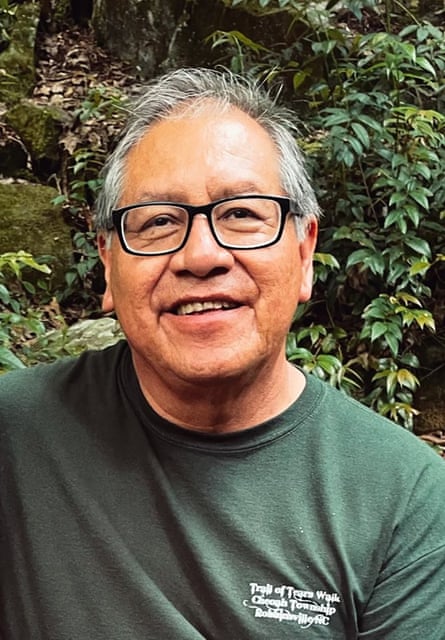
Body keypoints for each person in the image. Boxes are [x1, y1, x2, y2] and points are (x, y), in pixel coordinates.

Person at [0, 67, 444, 640]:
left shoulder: (406, 502)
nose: (201, 255)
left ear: (305, 252)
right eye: (159, 221)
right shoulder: (16, 435)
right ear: (108, 263)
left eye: (241, 214)